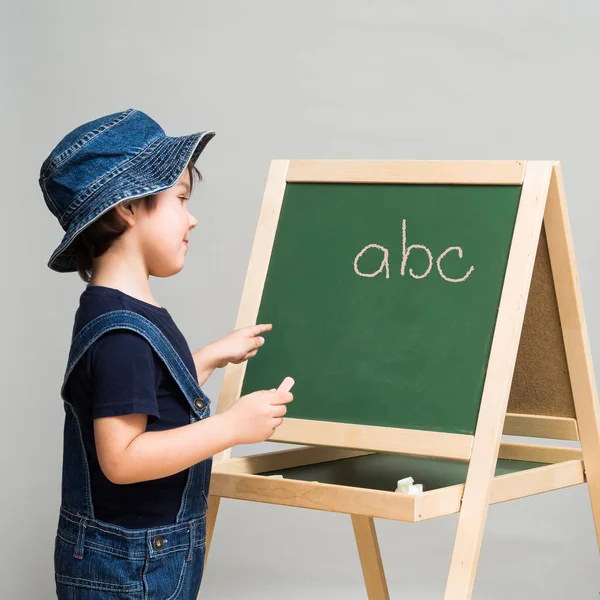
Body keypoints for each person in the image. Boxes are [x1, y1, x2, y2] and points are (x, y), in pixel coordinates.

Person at [39, 107, 294, 599]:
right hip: (132, 567)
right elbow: (124, 458)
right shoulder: (122, 337)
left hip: (138, 555)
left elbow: (141, 397)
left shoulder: (119, 313)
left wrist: (206, 358)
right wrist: (230, 427)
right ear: (126, 208)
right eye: (180, 198)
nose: (192, 218)